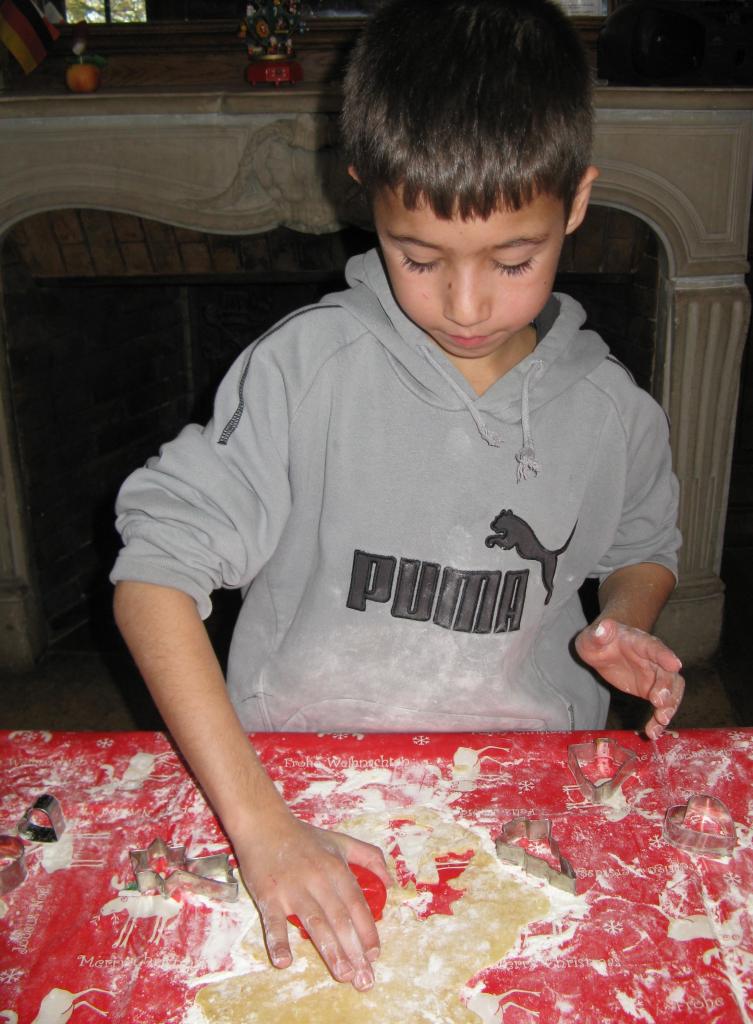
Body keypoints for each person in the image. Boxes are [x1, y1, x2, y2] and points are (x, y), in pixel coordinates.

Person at [111, 0, 684, 993]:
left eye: (514, 260)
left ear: (577, 202)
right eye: (419, 258)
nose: (466, 305)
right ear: (365, 192)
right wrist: (258, 824)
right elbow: (153, 574)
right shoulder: (307, 371)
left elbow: (643, 543)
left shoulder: (610, 409)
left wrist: (624, 620)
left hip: (525, 795)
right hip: (295, 793)